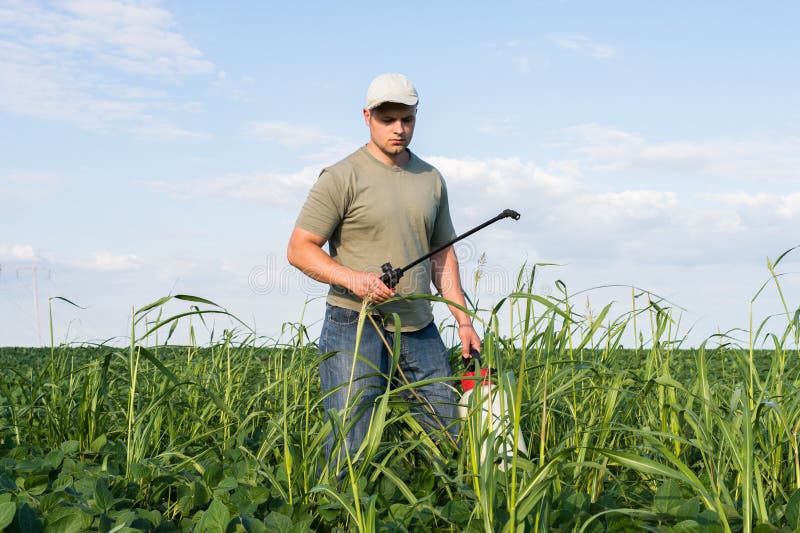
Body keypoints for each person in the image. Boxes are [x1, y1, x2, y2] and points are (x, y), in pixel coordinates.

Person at [286, 73, 480, 465]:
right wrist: (353, 280)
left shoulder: (431, 179)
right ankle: (340, 520)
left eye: (406, 119)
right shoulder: (341, 177)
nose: (399, 129)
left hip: (419, 327)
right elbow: (299, 249)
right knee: (349, 443)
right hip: (354, 324)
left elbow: (442, 255)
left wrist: (463, 321)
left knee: (450, 438)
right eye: (388, 119)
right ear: (367, 117)